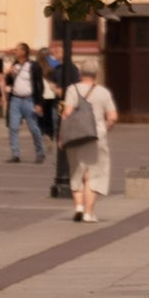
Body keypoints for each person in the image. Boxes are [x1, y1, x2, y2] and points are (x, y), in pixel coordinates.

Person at [58, 62, 117, 222]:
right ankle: (89, 213)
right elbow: (112, 117)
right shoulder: (103, 92)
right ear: (96, 74)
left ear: (80, 73)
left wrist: (61, 136)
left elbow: (67, 113)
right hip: (96, 136)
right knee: (94, 175)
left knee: (76, 172)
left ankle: (78, 206)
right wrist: (105, 127)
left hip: (75, 136)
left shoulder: (72, 89)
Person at [5, 45, 45, 164]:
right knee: (13, 127)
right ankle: (15, 154)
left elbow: (39, 85)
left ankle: (40, 152)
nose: (15, 52)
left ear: (24, 52)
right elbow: (9, 82)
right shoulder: (14, 65)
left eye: (17, 50)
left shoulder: (33, 66)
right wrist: (9, 74)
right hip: (16, 100)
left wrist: (38, 103)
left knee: (33, 128)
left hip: (29, 100)